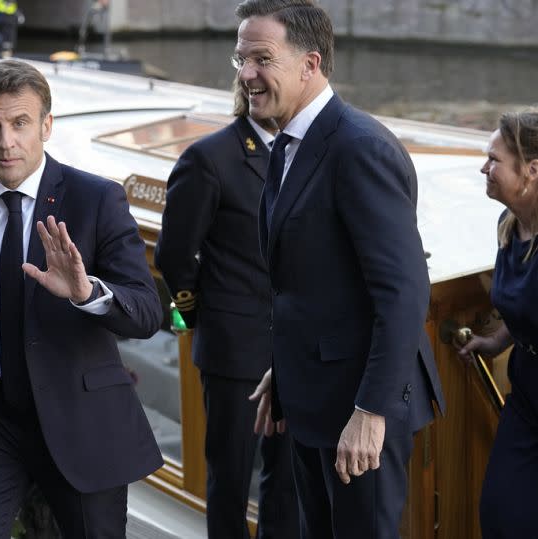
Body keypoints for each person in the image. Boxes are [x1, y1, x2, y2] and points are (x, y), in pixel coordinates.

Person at [0, 59, 164, 538]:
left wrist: (87, 292)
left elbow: (148, 312)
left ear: (46, 126)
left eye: (20, 123)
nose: (7, 141)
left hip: (81, 417)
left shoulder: (97, 199)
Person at [237, 1, 446, 537]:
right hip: (314, 399)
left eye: (262, 59)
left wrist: (370, 413)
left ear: (310, 64)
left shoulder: (359, 148)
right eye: (240, 59)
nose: (246, 75)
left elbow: (402, 294)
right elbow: (312, 282)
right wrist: (283, 371)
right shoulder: (290, 144)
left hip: (361, 412)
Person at [154, 79, 297, 539]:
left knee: (289, 478)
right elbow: (173, 256)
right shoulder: (208, 158)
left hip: (299, 346)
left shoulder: (312, 153)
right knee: (231, 476)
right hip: (235, 350)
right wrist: (197, 317)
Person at [458, 111, 538, 538]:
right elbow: (524, 307)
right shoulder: (510, 227)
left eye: (494, 159)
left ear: (531, 170)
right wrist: (498, 341)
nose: (484, 168)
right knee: (501, 511)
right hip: (527, 392)